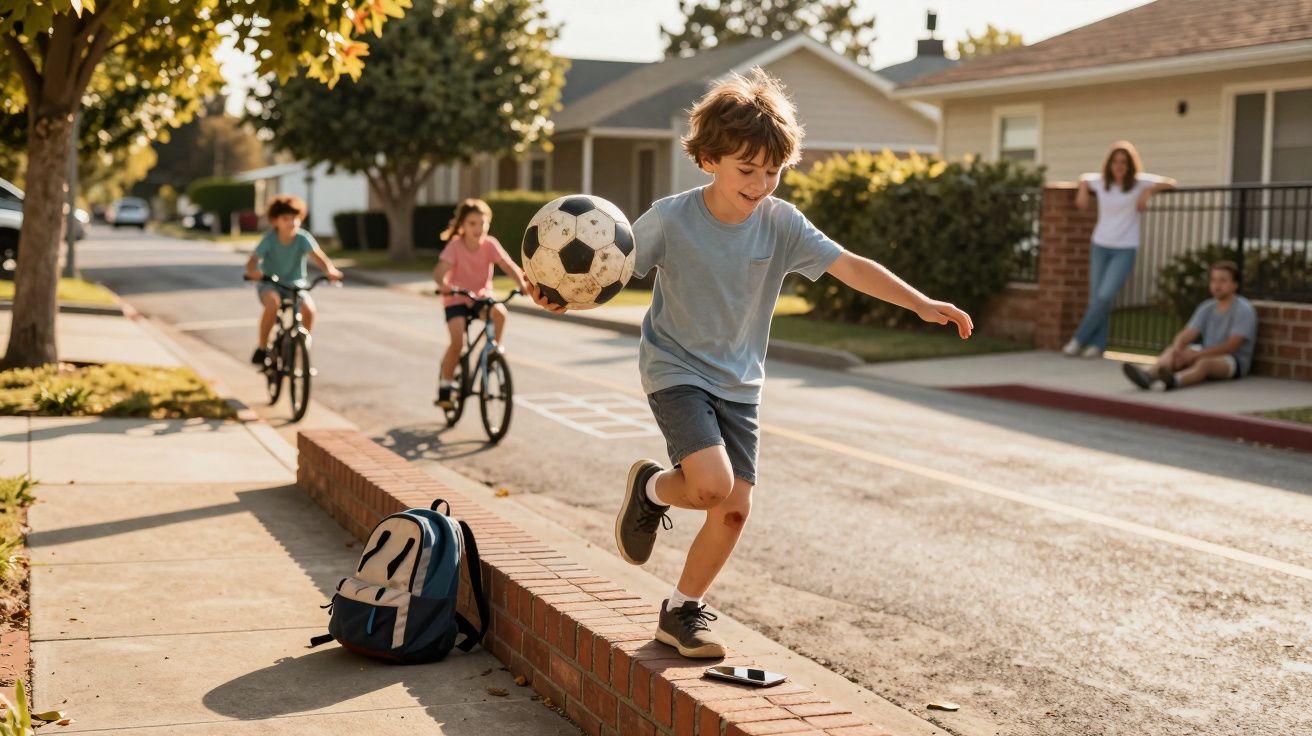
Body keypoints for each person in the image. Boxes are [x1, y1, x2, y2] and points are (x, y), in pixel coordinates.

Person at [527, 68, 973, 659]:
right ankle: (660, 490)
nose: (762, 183)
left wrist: (919, 302)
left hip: (740, 383)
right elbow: (607, 270)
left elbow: (850, 266)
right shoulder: (670, 217)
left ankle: (679, 603)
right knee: (712, 485)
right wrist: (558, 295)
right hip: (676, 369)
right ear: (709, 159)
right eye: (747, 169)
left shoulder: (781, 223)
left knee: (734, 510)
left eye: (773, 170)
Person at [1064, 141, 1176, 358]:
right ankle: (1098, 345)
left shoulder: (1138, 183)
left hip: (1125, 248)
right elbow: (1084, 178)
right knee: (1096, 298)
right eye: (1115, 161)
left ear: (1130, 165)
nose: (1119, 166)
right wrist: (1083, 189)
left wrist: (1148, 191)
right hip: (1100, 245)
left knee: (1105, 296)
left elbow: (1171, 183)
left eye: (1124, 162)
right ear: (1110, 164)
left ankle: (1078, 339)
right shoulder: (1101, 182)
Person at [434, 198, 530, 409]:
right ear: (462, 226)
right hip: (456, 298)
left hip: (480, 297)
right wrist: (443, 285)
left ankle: (491, 353)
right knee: (458, 342)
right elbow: (439, 271)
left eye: (483, 223)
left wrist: (522, 283)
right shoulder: (455, 247)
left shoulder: (490, 245)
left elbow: (507, 264)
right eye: (472, 224)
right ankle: (445, 386)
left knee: (500, 314)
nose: (479, 228)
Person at [1122, 261, 1257, 390]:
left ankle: (1175, 380)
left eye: (1222, 280)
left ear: (1235, 285)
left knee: (1204, 363)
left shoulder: (1243, 309)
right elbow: (1187, 333)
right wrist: (1178, 350)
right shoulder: (1207, 307)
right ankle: (1148, 375)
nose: (1217, 285)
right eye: (1213, 280)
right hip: (1206, 351)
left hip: (1233, 360)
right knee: (1172, 351)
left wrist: (1196, 356)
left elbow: (1231, 346)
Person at [245, 194, 342, 364]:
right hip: (270, 283)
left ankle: (301, 347)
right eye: (286, 218)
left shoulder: (302, 238)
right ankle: (262, 347)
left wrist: (330, 270)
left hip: (295, 284)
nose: (292, 222)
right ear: (275, 221)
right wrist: (253, 272)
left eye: (295, 218)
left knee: (309, 310)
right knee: (273, 304)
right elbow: (253, 261)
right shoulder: (269, 239)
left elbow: (319, 258)